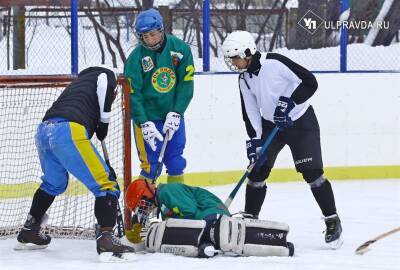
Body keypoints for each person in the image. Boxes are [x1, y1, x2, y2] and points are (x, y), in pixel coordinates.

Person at [221, 31, 343, 249]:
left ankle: (332, 220)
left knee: (312, 173)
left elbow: (309, 82)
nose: (233, 63)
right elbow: (250, 112)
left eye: (235, 58)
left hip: (300, 122)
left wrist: (290, 102)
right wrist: (255, 141)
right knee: (257, 171)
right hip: (270, 126)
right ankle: (250, 218)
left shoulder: (275, 63)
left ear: (248, 53)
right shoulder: (244, 79)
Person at [15, 66, 135, 256]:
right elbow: (105, 82)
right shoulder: (104, 74)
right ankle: (105, 238)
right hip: (67, 131)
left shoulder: (78, 84)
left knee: (53, 183)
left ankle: (30, 229)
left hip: (44, 131)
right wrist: (104, 123)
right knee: (107, 185)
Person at [124, 179, 294, 258]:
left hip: (211, 213)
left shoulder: (168, 191)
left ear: (146, 195)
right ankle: (204, 243)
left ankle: (276, 240)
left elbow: (189, 213)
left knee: (220, 237)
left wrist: (165, 228)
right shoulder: (162, 203)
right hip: (206, 217)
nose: (144, 211)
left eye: (141, 206)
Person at [124, 8, 194, 184]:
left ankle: (175, 204)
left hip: (172, 116)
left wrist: (177, 111)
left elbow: (186, 85)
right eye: (144, 36)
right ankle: (142, 208)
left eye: (152, 34)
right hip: (147, 119)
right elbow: (133, 94)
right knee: (152, 166)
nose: (149, 40)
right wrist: (143, 123)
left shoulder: (180, 49)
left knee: (176, 162)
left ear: (161, 29)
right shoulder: (135, 58)